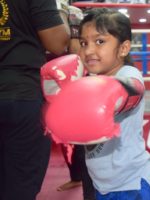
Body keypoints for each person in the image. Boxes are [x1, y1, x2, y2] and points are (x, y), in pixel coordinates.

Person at [78, 8, 150, 200]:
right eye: (84, 43)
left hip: (135, 185)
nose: (88, 50)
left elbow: (131, 90)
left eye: (99, 41)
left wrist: (85, 95)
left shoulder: (127, 74)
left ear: (124, 48)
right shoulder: (92, 80)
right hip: (104, 186)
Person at [0, 0, 69, 199]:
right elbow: (57, 43)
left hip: (19, 93)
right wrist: (62, 11)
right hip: (20, 94)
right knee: (19, 187)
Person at [53, 1, 96, 199]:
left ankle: (86, 182)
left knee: (81, 135)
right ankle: (76, 176)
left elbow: (76, 48)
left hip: (72, 77)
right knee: (63, 135)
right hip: (48, 78)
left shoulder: (73, 13)